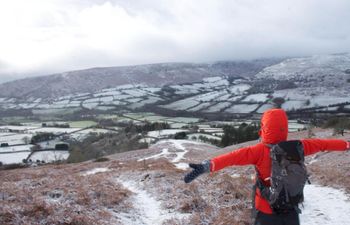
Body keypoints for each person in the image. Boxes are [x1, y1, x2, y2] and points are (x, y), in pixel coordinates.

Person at [184, 108, 350, 225]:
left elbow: (231, 158)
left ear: (264, 128)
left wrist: (207, 166)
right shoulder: (300, 146)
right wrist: (347, 145)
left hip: (266, 210)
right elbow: (323, 144)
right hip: (291, 208)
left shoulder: (258, 150)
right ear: (284, 127)